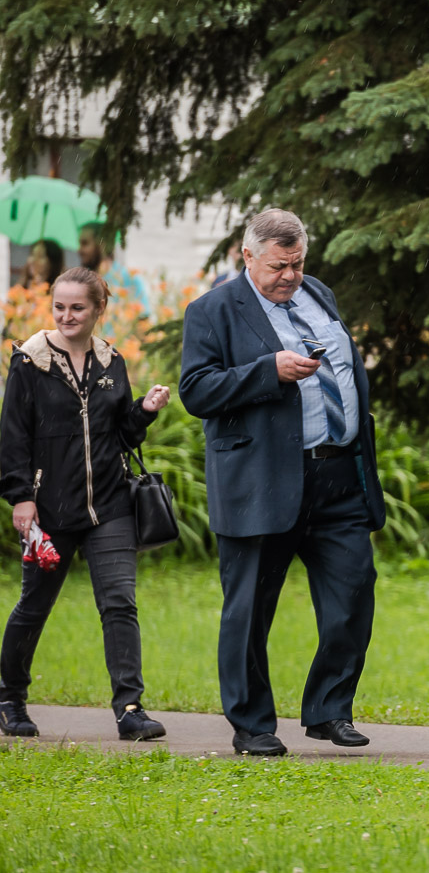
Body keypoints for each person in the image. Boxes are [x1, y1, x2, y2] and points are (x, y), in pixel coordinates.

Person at [179, 209, 386, 757]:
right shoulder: (213, 311)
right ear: (246, 257)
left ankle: (328, 711)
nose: (290, 276)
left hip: (337, 475)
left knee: (353, 593)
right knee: (249, 609)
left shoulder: (318, 293)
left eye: (297, 264)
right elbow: (196, 391)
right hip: (262, 479)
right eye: (278, 266)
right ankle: (252, 725)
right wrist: (268, 371)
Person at [0, 268, 172, 741]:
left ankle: (130, 708)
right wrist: (21, 497)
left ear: (98, 310)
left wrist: (146, 411)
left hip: (110, 507)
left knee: (119, 604)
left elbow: (119, 434)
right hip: (49, 509)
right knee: (34, 606)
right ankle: (10, 699)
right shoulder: (30, 361)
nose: (67, 315)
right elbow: (13, 436)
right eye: (59, 306)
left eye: (77, 307)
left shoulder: (111, 361)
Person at [79, 222, 150, 319]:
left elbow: (143, 323)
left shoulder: (131, 279)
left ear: (102, 244)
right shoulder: (81, 282)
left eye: (85, 243)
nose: (79, 250)